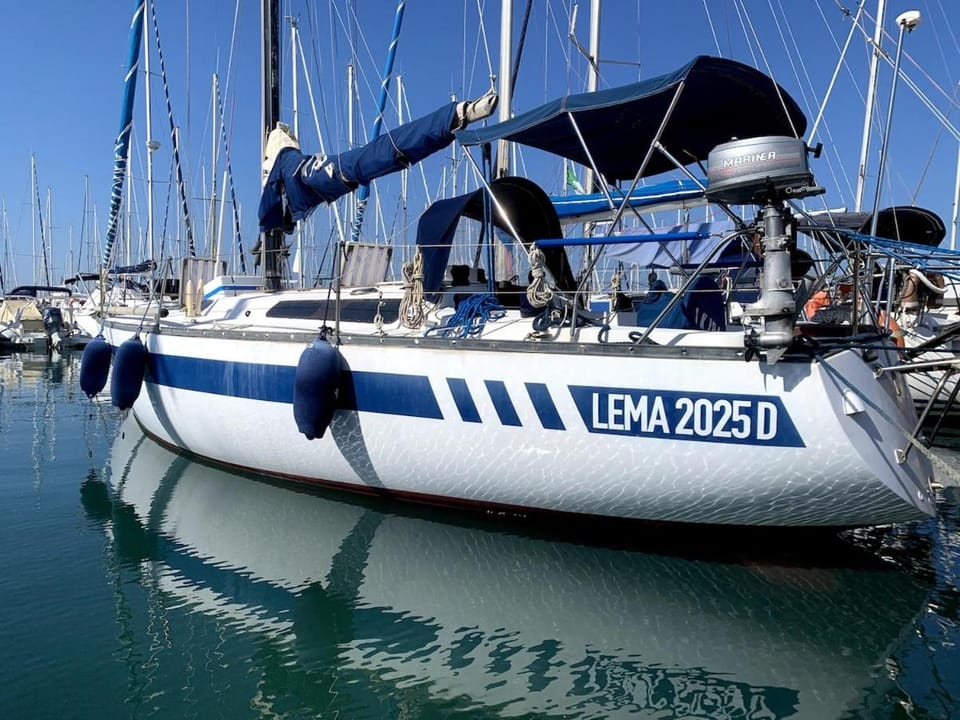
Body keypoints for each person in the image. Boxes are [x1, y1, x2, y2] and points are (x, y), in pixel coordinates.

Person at [258, 91, 498, 233]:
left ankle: (454, 116)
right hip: (343, 170)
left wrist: (269, 226)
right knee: (373, 156)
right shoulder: (297, 170)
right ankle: (454, 117)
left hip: (345, 169)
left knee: (373, 155)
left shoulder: (293, 172)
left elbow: (267, 209)